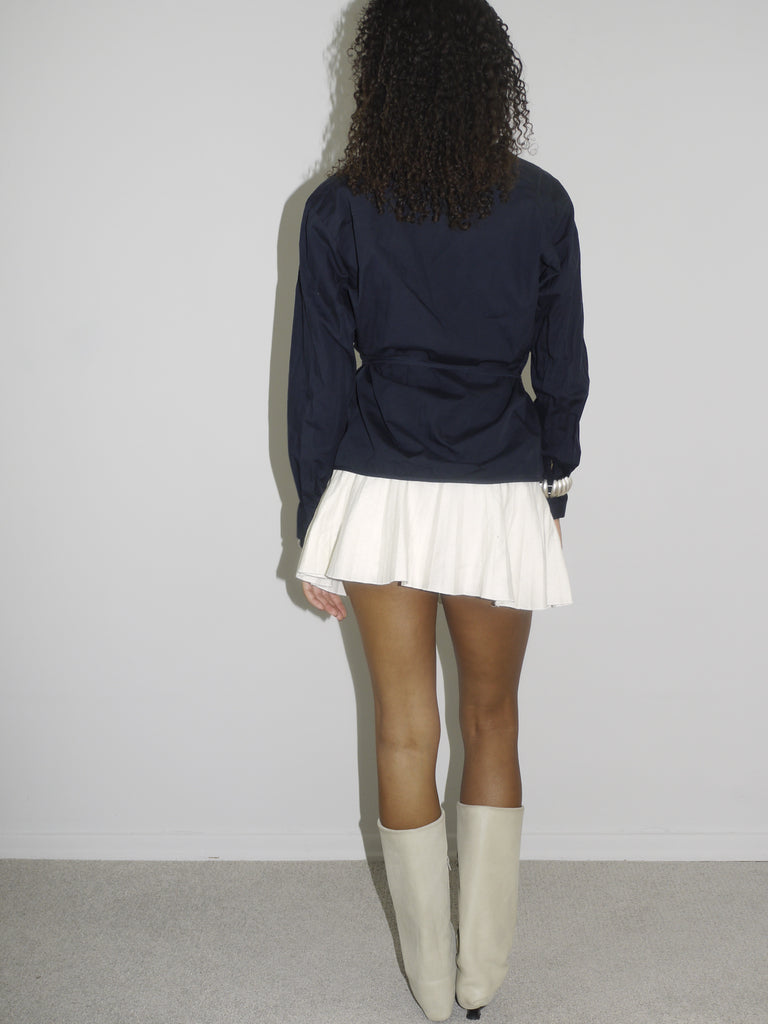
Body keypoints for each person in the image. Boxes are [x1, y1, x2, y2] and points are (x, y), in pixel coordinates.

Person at [287, 0, 589, 1018]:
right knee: (493, 716)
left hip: (378, 493)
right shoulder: (541, 203)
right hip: (501, 483)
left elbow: (318, 382)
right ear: (488, 73)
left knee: (403, 730)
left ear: (377, 75)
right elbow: (567, 368)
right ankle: (478, 978)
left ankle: (427, 981)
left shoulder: (338, 208)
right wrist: (556, 478)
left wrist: (313, 524)